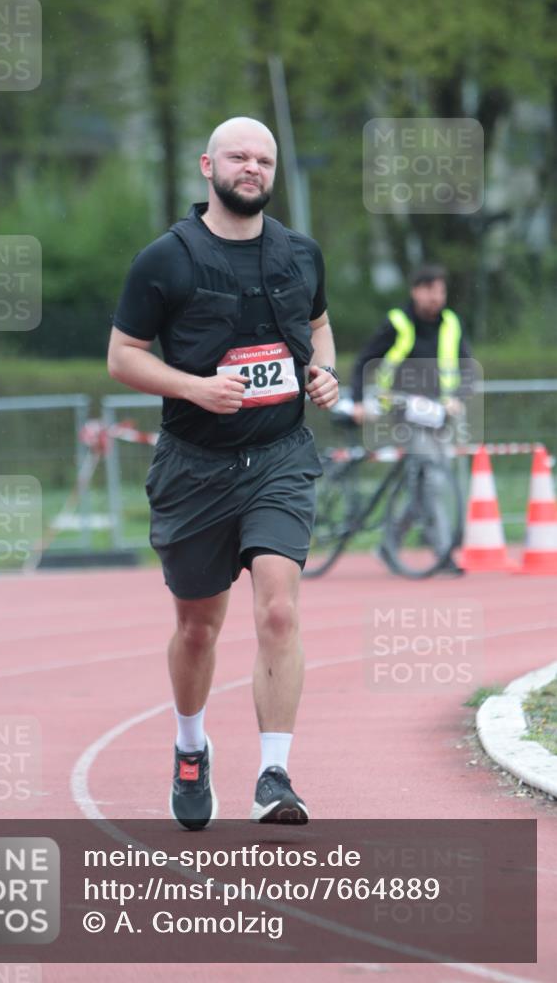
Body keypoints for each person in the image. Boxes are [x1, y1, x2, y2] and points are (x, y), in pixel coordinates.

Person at [107, 116, 338, 829]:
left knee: (277, 606)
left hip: (277, 457)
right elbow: (123, 356)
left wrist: (321, 370)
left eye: (263, 159)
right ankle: (189, 746)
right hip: (195, 466)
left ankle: (274, 774)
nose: (252, 168)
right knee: (199, 628)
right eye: (239, 156)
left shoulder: (300, 254)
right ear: (208, 165)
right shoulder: (165, 260)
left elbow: (321, 324)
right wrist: (191, 386)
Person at [350, 263, 475, 574]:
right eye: (430, 289)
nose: (437, 297)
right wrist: (356, 402)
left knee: (424, 484)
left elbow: (468, 367)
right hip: (404, 411)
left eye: (441, 290)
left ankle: (388, 544)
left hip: (439, 414)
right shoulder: (398, 322)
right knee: (432, 479)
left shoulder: (451, 324)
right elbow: (364, 360)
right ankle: (444, 553)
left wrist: (458, 398)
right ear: (416, 291)